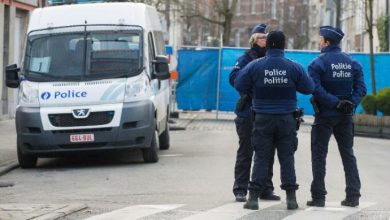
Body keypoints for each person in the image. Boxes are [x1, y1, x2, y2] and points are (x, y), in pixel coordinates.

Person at [235, 31, 314, 210]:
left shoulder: (255, 66)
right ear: (283, 45)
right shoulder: (294, 67)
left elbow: (239, 84)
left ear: (267, 45)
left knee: (261, 157)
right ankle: (291, 199)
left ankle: (253, 198)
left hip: (262, 118)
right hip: (287, 119)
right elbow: (309, 88)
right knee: (287, 158)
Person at [307, 26, 367, 207]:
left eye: (320, 39)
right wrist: (349, 103)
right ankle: (353, 195)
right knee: (348, 154)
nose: (319, 42)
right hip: (345, 116)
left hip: (325, 115)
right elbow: (361, 89)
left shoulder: (318, 63)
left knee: (319, 155)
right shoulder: (353, 63)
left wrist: (334, 103)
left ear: (326, 41)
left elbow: (315, 89)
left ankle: (318, 197)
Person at [229, 23, 280, 202]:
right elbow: (234, 78)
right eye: (262, 37)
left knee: (267, 152)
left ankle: (266, 188)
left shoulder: (273, 57)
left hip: (267, 112)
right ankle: (240, 189)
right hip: (248, 113)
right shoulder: (246, 58)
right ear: (254, 39)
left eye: (267, 37)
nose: (265, 40)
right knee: (246, 152)